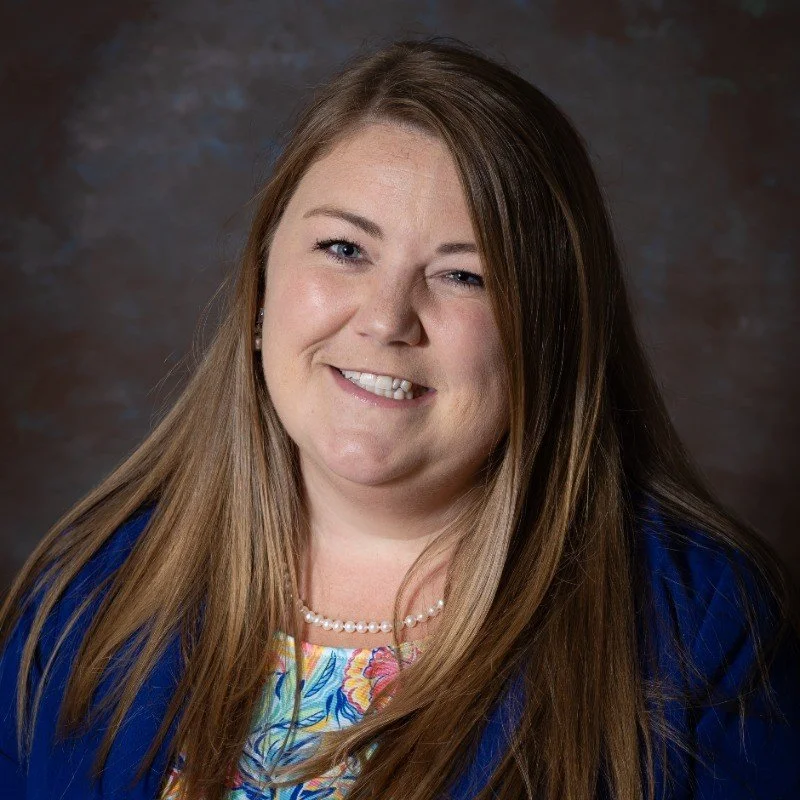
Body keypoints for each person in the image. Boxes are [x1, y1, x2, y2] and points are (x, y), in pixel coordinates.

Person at [1, 36, 798, 800]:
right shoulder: (87, 595)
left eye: (463, 274)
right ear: (260, 288)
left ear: (552, 334)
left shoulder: (703, 633)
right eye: (345, 249)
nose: (387, 320)